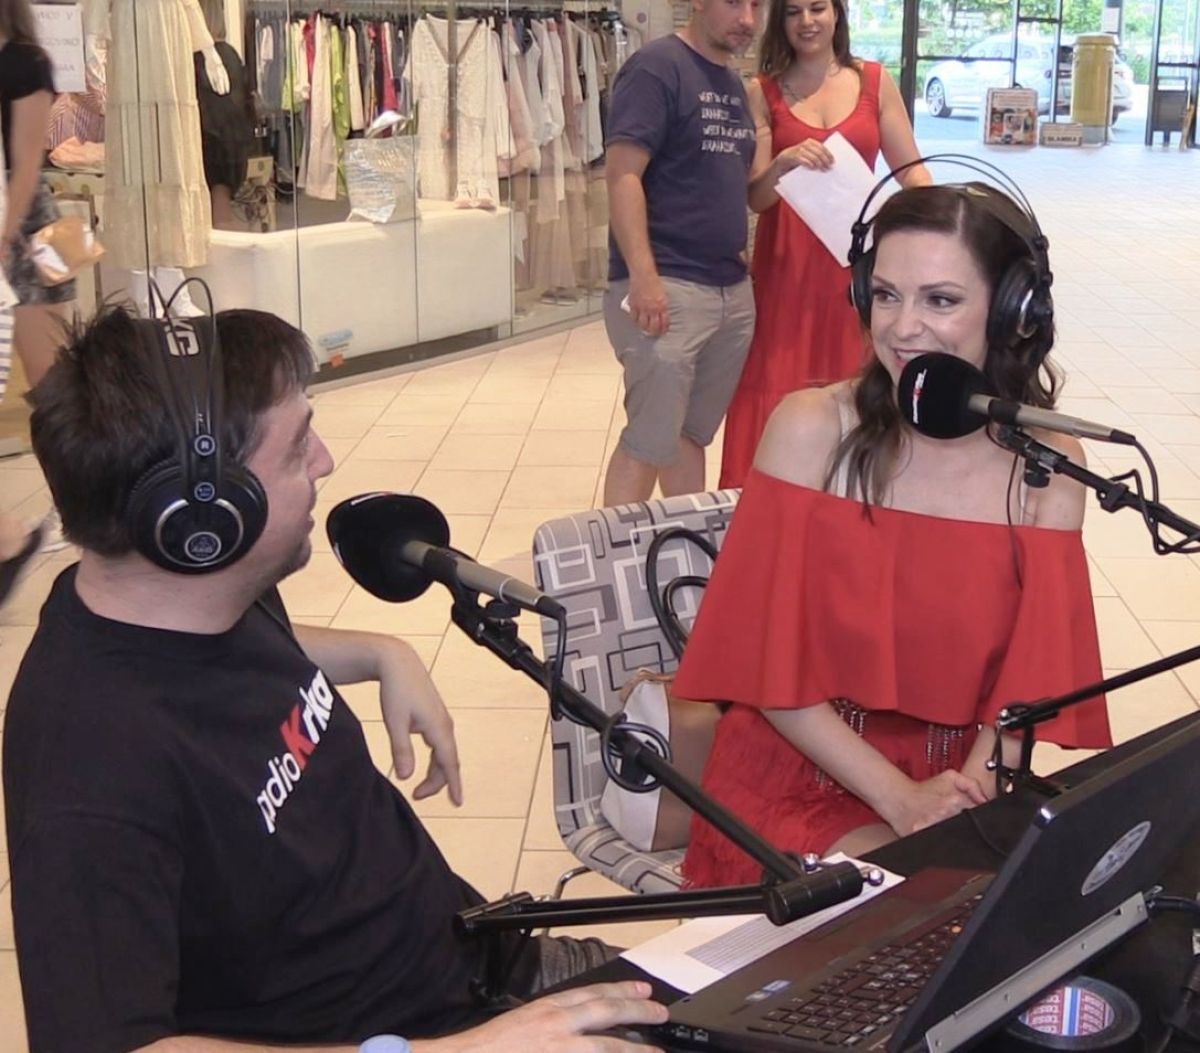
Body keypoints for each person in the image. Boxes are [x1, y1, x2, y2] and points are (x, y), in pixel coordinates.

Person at [3, 305, 668, 1051]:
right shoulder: (89, 773)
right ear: (203, 522)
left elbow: (208, 671)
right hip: (430, 1036)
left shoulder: (201, 596)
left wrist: (379, 650)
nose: (324, 461)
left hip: (478, 964)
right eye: (295, 449)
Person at [673, 182, 1113, 888]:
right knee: (917, 908)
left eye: (940, 300)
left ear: (1012, 312)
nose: (904, 327)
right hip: (800, 771)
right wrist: (902, 800)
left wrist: (965, 798)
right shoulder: (812, 428)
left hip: (959, 782)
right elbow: (761, 664)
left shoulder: (1048, 469)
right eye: (885, 295)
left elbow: (1028, 692)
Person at [717, 0, 929, 489]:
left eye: (818, 8)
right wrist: (783, 163)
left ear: (838, 14)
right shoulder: (763, 91)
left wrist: (937, 218)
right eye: (794, 12)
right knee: (776, 383)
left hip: (856, 267)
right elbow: (757, 197)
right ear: (781, 21)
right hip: (786, 272)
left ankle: (853, 501)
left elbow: (911, 170)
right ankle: (765, 505)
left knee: (855, 381)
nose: (807, 22)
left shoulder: (874, 81)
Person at [600, 0, 760, 507]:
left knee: (689, 436)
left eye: (757, 5)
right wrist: (644, 278)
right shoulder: (656, 68)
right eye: (734, 3)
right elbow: (623, 175)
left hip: (728, 288)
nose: (748, 19)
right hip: (668, 287)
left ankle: (685, 543)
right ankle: (615, 553)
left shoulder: (732, 83)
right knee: (648, 440)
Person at [0, 0, 77, 388]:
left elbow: (28, 163)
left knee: (48, 374)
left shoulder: (25, 62)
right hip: (17, 220)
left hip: (26, 222)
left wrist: (5, 234)